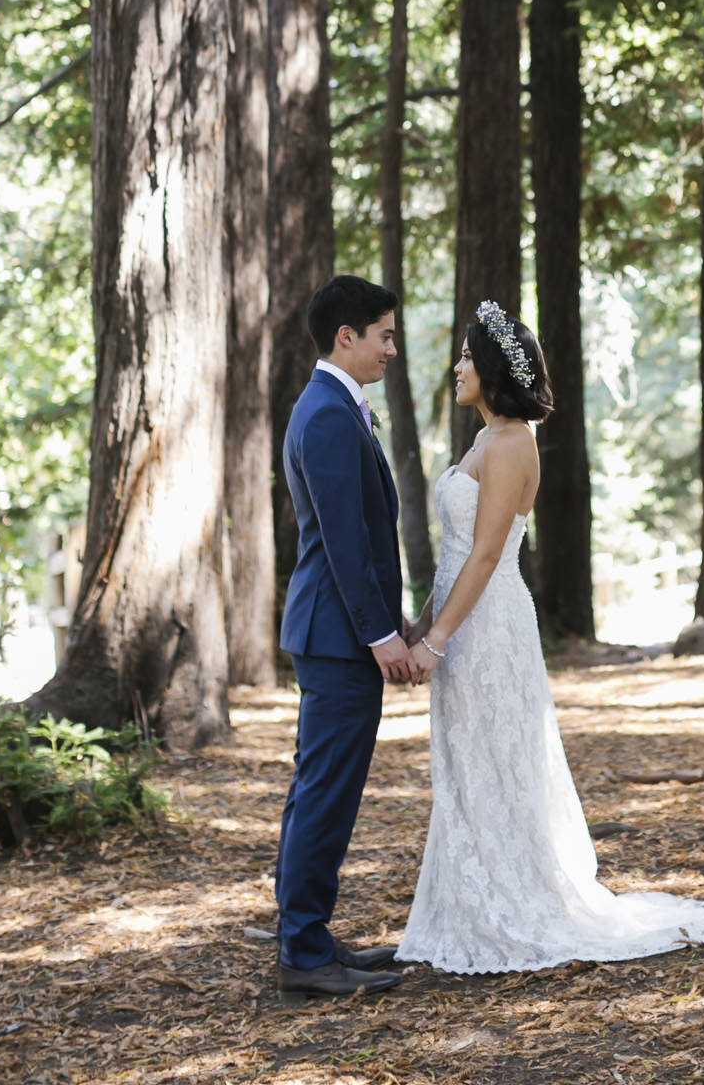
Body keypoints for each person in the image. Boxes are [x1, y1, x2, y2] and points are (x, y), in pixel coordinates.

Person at [395, 300, 704, 975]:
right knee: (468, 758)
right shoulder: (483, 440)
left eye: (464, 357)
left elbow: (484, 557)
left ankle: (516, 900)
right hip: (460, 619)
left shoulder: (512, 445)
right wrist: (422, 622)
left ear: (491, 370)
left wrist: (437, 641)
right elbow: (454, 555)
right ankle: (470, 898)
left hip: (488, 624)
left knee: (498, 759)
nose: (455, 368)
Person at [273, 274, 415, 1002]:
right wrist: (381, 635)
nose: (392, 348)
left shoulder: (335, 405)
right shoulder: (328, 412)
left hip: (335, 633)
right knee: (324, 793)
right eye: (384, 334)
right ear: (346, 337)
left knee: (322, 791)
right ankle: (301, 953)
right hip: (336, 637)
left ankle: (314, 937)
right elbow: (343, 541)